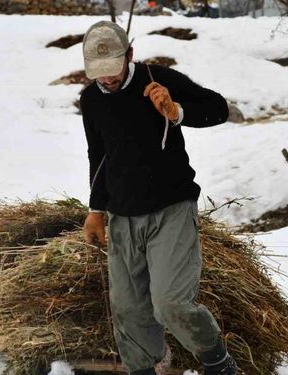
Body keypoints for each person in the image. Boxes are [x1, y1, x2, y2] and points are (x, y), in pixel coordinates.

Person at [80, 20, 237, 375]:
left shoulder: (159, 80)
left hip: (171, 209)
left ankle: (216, 358)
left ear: (130, 55)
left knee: (169, 303)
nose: (106, 79)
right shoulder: (91, 100)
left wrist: (177, 111)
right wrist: (96, 209)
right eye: (98, 73)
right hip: (122, 216)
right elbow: (98, 154)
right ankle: (144, 369)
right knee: (129, 310)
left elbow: (218, 109)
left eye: (112, 70)